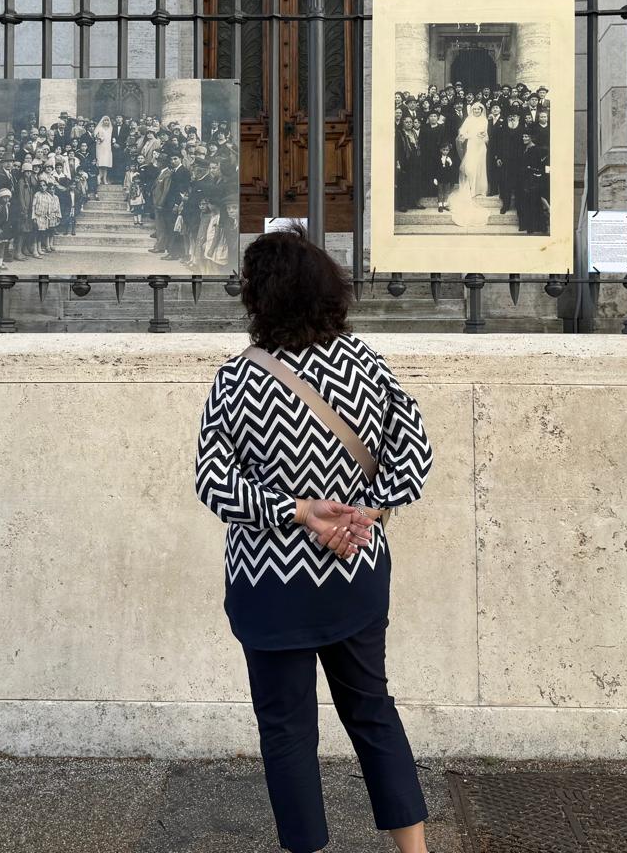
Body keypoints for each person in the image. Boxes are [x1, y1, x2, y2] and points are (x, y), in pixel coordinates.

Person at [196, 232, 433, 853]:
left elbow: (213, 482)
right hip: (353, 575)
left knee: (286, 731)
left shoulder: (236, 380)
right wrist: (366, 515)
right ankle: (416, 852)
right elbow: (416, 455)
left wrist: (294, 511)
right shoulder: (369, 365)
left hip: (269, 585)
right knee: (372, 712)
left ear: (258, 297)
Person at [449, 102, 490, 228]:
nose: (477, 110)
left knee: (480, 167)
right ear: (472, 110)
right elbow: (462, 133)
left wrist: (484, 136)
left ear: (481, 110)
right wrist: (471, 135)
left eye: (479, 109)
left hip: (481, 146)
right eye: (475, 109)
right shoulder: (468, 119)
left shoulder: (484, 120)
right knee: (470, 167)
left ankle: (480, 188)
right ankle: (471, 188)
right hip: (472, 145)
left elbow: (487, 135)